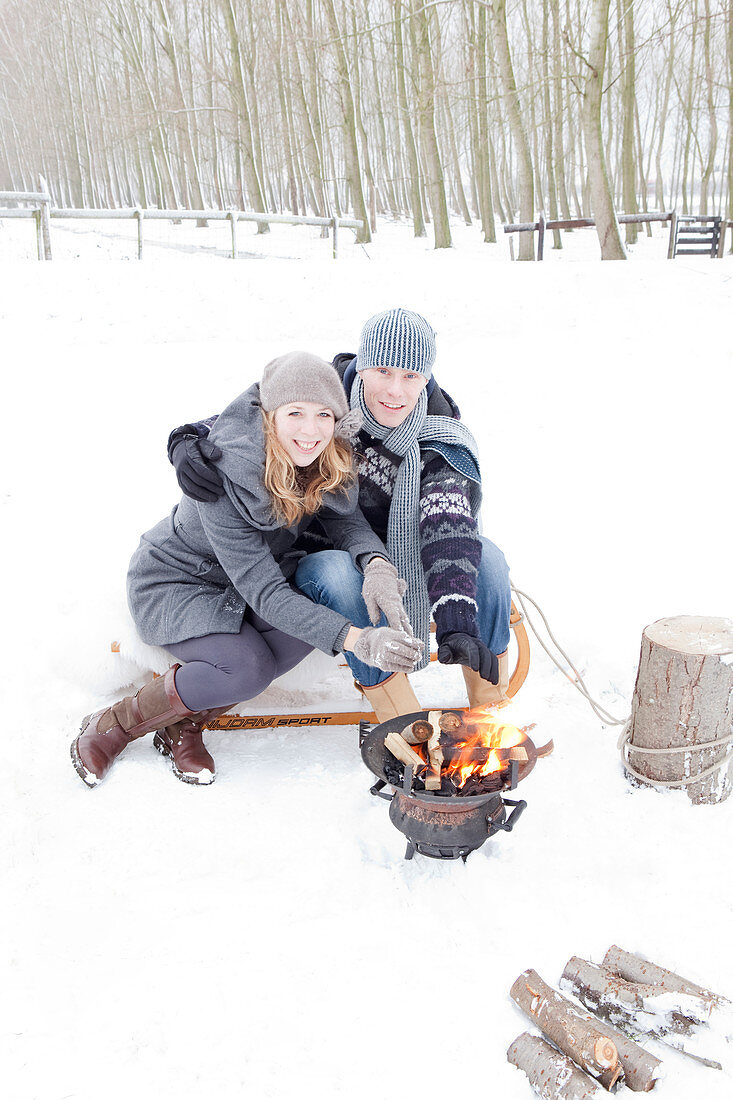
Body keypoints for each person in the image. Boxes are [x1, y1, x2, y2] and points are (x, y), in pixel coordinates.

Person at [71, 351, 422, 788]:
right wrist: (358, 640)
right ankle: (115, 723)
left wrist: (377, 566)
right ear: (270, 414)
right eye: (295, 413)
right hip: (180, 581)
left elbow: (344, 519)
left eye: (323, 415)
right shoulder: (225, 472)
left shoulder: (328, 452)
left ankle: (183, 721)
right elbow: (266, 593)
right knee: (248, 669)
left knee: (308, 622)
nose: (310, 430)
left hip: (243, 584)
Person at [168, 309, 512, 724]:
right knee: (337, 574)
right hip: (322, 543)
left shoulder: (441, 434)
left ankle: (488, 717)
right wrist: (189, 437)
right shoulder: (328, 391)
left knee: (488, 560)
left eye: (411, 376)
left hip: (410, 543)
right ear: (362, 367)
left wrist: (455, 619)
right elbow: (266, 409)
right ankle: (400, 720)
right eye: (383, 371)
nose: (396, 390)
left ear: (427, 379)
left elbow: (449, 522)